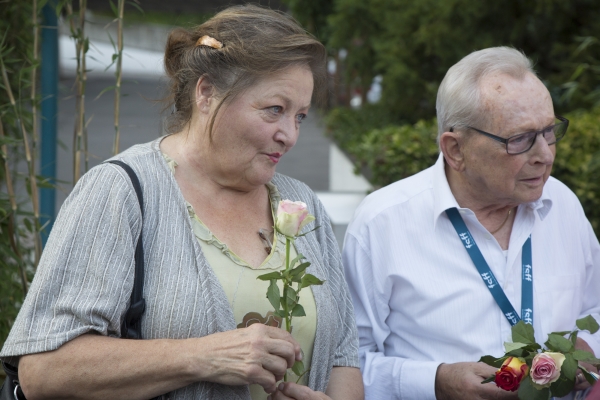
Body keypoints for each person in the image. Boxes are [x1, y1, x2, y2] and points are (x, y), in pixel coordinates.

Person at [0, 5, 362, 400]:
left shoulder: (301, 203)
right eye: (274, 109)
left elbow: (344, 354)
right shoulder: (121, 192)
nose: (289, 135)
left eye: (301, 116)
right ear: (206, 92)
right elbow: (43, 371)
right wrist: (203, 357)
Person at [343, 46, 600, 400]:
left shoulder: (562, 205)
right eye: (520, 139)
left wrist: (589, 348)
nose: (545, 155)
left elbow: (596, 307)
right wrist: (436, 381)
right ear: (455, 149)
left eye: (549, 131)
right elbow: (346, 364)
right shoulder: (382, 224)